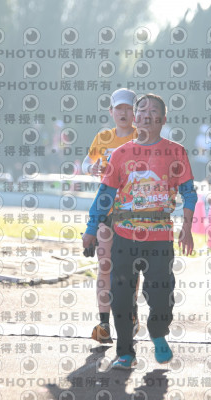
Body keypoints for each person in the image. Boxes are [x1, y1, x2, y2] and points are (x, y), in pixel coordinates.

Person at [82, 93, 197, 369]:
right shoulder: (120, 154)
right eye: (141, 110)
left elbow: (189, 193)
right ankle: (125, 353)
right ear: (135, 118)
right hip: (124, 234)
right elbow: (105, 195)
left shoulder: (176, 152)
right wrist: (91, 228)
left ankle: (158, 332)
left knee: (161, 294)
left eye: (153, 110)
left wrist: (187, 227)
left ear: (163, 119)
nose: (146, 114)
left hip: (160, 236)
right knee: (121, 295)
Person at [81, 88, 139, 344]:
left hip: (135, 213)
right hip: (106, 210)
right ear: (111, 111)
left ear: (135, 112)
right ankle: (104, 324)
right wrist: (92, 168)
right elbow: (86, 162)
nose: (123, 113)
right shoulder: (104, 137)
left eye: (128, 108)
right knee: (105, 265)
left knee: (131, 270)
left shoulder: (142, 137)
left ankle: (131, 314)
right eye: (119, 108)